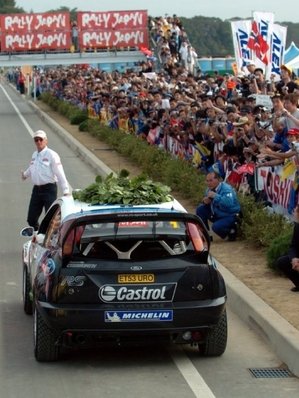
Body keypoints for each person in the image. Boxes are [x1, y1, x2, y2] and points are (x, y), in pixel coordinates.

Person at [21, 130, 70, 230]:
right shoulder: (34, 155)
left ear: (46, 141)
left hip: (49, 190)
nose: (38, 142)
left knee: (50, 220)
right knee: (31, 219)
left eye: (41, 139)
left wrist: (66, 191)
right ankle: (39, 235)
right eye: (36, 140)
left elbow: (60, 173)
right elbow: (32, 168)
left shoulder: (52, 155)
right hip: (36, 191)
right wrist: (25, 175)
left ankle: (50, 240)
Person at [196, 171, 241, 241]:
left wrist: (215, 196)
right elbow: (207, 202)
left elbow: (228, 204)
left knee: (216, 227)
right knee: (200, 209)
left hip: (230, 215)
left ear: (218, 180)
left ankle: (232, 232)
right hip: (217, 213)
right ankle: (206, 234)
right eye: (207, 181)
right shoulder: (209, 189)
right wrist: (205, 201)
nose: (208, 183)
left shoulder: (226, 189)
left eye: (211, 180)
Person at [276, 206, 299, 292]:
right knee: (282, 261)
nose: (294, 213)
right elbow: (293, 246)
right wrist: (294, 259)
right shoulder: (297, 227)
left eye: (296, 211)